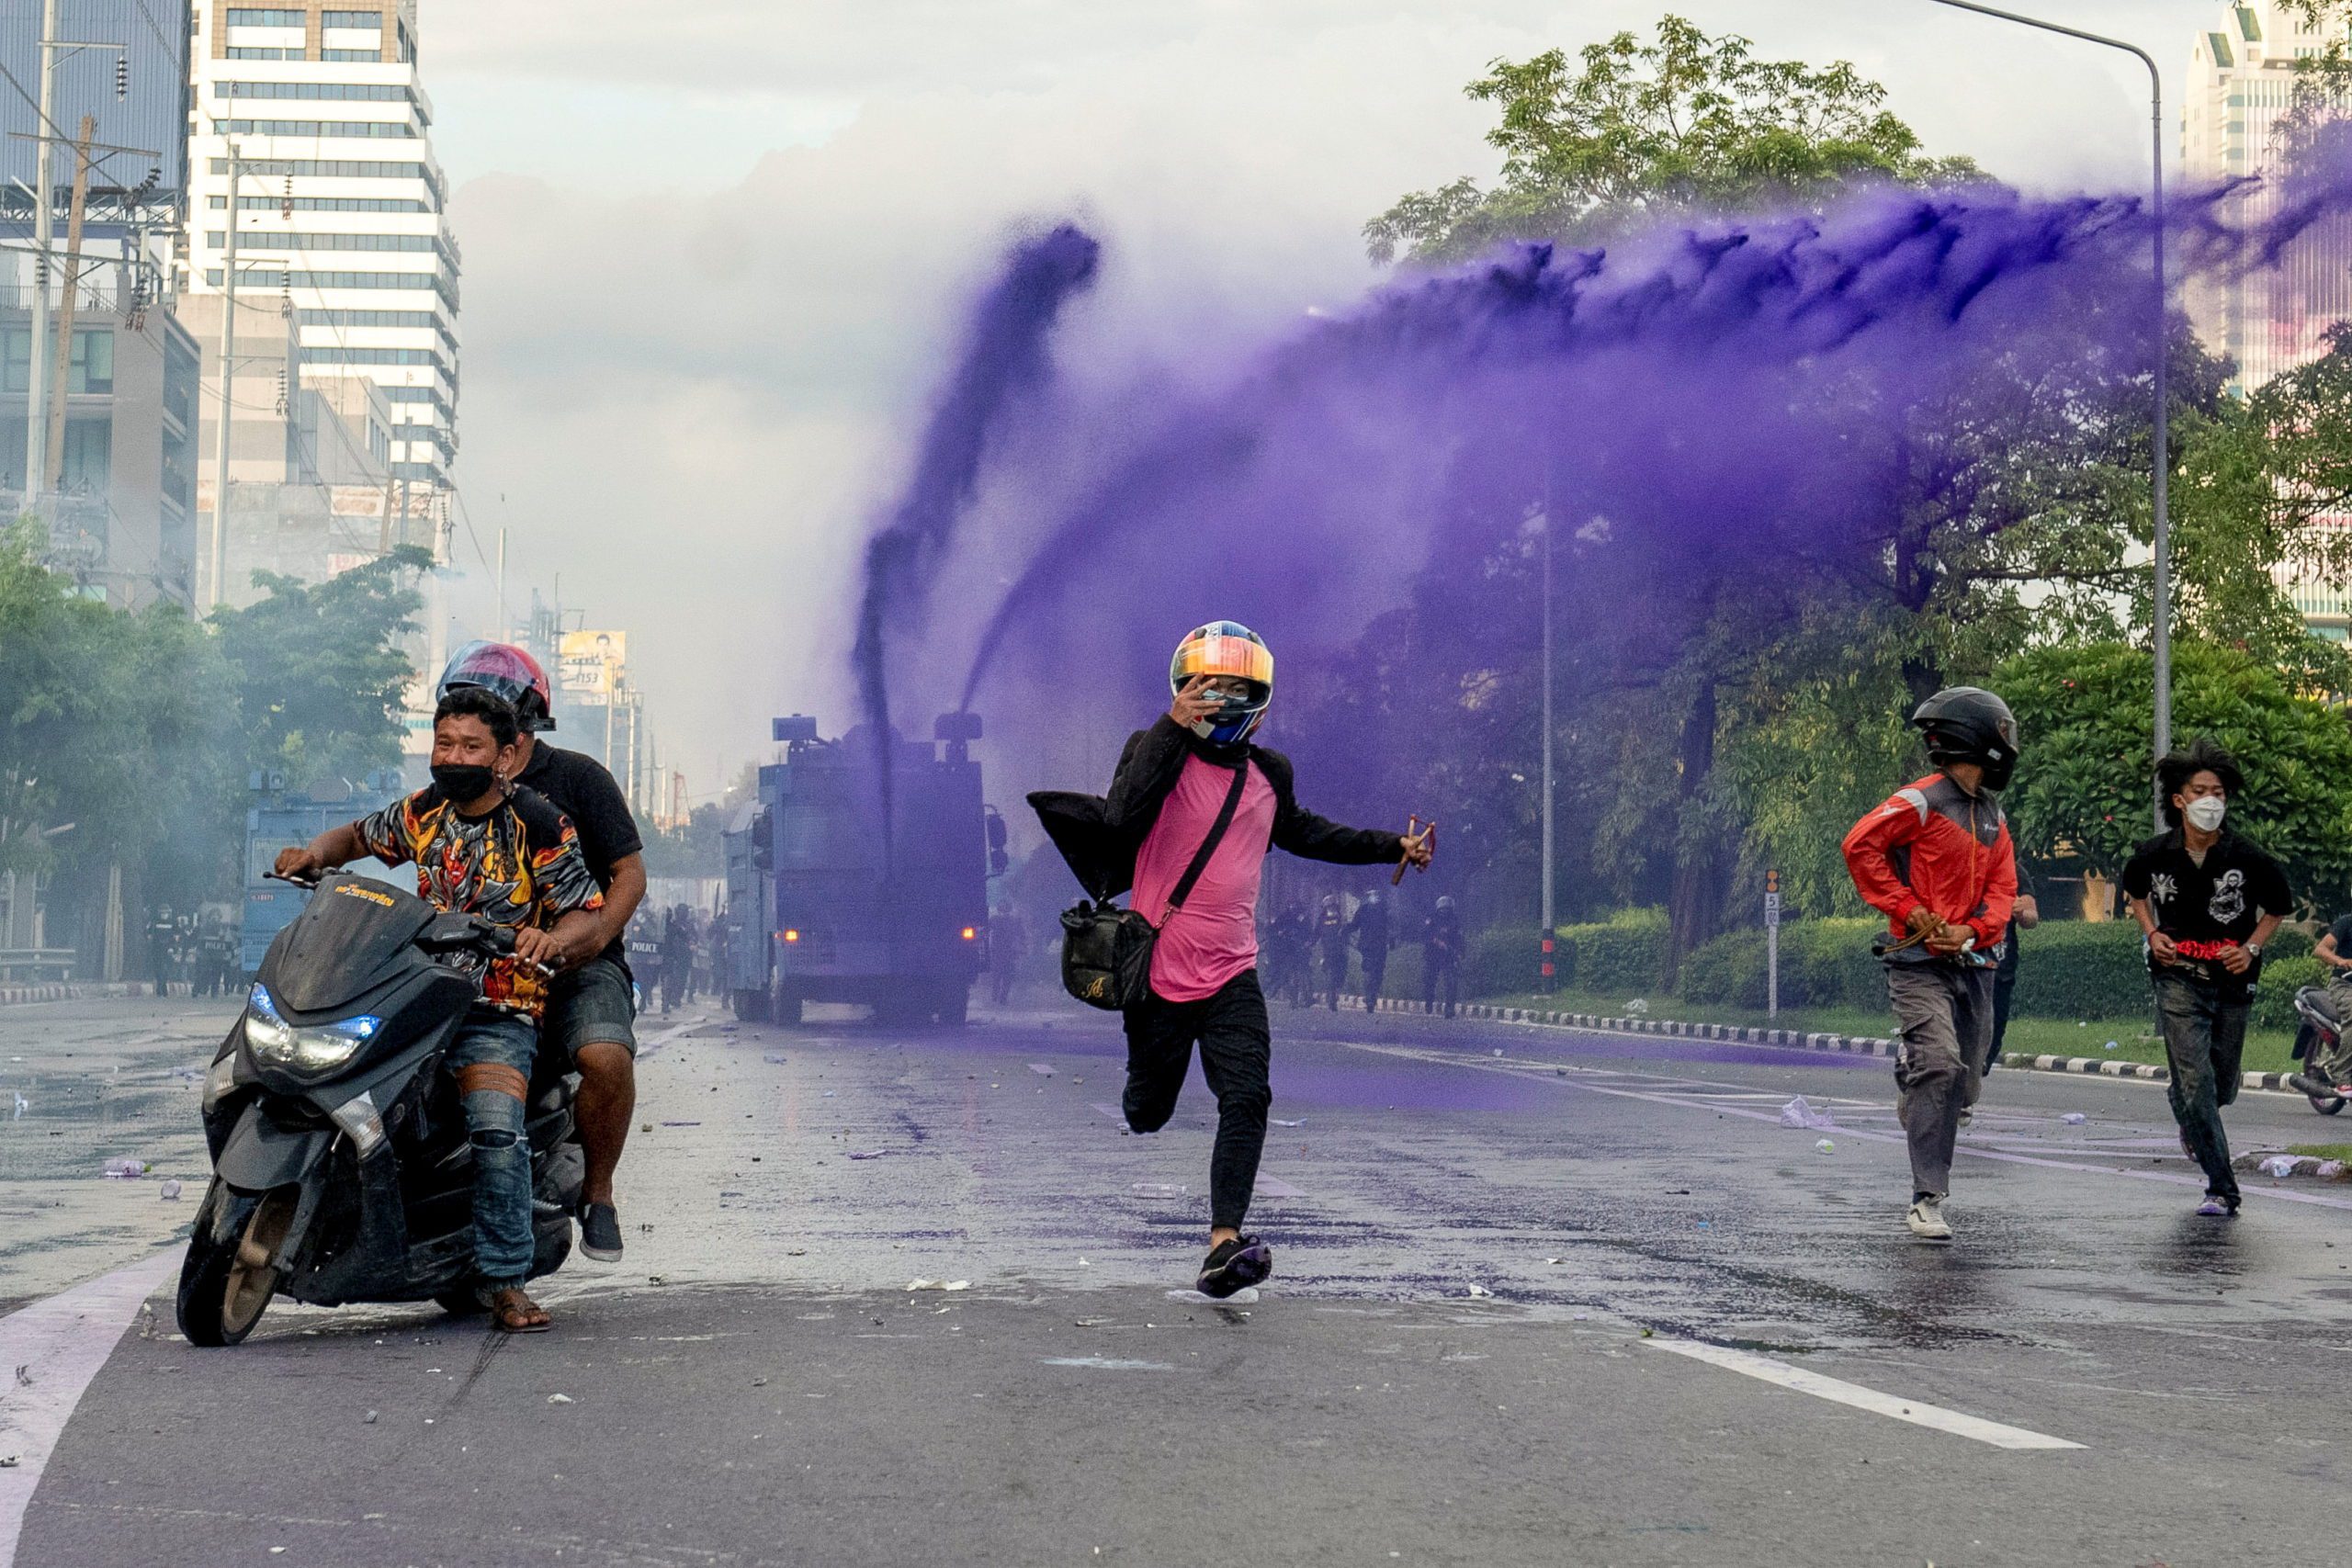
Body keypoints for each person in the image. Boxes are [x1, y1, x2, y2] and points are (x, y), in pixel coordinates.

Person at [1031, 621, 1432, 1298]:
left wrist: (1390, 845)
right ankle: (1146, 1098)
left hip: (1231, 972)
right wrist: (1168, 727)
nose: (1213, 696)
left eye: (1229, 686)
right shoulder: (1153, 750)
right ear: (1182, 688)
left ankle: (1224, 1244)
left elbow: (1310, 833)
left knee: (1247, 1095)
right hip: (1157, 971)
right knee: (1146, 1110)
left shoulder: (1268, 775)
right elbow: (1123, 815)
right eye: (1201, 684)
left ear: (1256, 698)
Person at [276, 685, 604, 1333]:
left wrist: (551, 938)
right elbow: (358, 836)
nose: (453, 755)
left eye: (471, 746)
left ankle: (506, 1278)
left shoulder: (538, 822)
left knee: (493, 1125)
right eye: (444, 742)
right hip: (414, 994)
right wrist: (315, 854)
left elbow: (585, 915)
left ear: (505, 755)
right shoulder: (423, 811)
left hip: (497, 1007)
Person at [437, 640, 646, 1265]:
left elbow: (629, 875)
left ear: (519, 732)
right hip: (478, 965)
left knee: (605, 1056)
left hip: (575, 964)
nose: (467, 747)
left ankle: (599, 1191)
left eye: (487, 730)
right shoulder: (450, 787)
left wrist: (591, 934)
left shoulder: (580, 780)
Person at [1841, 686, 2020, 1245]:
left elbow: (2003, 886)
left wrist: (1974, 929)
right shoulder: (1920, 801)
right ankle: (1927, 1199)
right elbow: (1859, 847)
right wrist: (1910, 909)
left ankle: (1914, 1073)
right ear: (1979, 735)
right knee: (1940, 1066)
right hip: (1916, 962)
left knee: (1965, 1083)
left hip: (1976, 963)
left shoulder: (1993, 815)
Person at [2122, 739, 2290, 1220]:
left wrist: (2251, 946)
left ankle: (2190, 1113)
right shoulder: (2153, 854)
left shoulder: (2248, 857)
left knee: (2220, 1089)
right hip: (2177, 977)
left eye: (2218, 790)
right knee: (2196, 1082)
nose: (2211, 800)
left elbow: (2278, 907)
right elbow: (2135, 893)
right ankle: (2222, 1187)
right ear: (2179, 799)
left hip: (2233, 979)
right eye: (2200, 790)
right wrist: (2151, 932)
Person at [1349, 890, 1392, 1013]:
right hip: (1367, 947)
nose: (1373, 898)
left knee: (1378, 972)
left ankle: (1373, 994)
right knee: (1368, 971)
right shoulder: (1363, 910)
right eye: (1371, 895)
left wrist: (1392, 938)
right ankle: (1369, 998)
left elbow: (1391, 925)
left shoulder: (1384, 909)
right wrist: (1344, 930)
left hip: (1380, 946)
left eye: (1375, 895)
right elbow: (1355, 924)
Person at [1423, 896, 1463, 1018]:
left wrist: (1460, 953)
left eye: (1447, 909)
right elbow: (1426, 935)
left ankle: (1449, 1009)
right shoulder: (1432, 920)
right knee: (1429, 981)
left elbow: (1460, 939)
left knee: (1451, 982)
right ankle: (1429, 1001)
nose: (1444, 911)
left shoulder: (1455, 921)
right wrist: (1436, 942)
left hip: (1448, 956)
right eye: (1442, 909)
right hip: (1432, 955)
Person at [1316, 894, 1349, 1011]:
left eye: (1332, 905)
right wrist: (1309, 942)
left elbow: (1346, 932)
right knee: (1330, 976)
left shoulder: (1340, 918)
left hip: (1339, 951)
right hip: (1327, 952)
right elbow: (1316, 933)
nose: (1330, 908)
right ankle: (1331, 998)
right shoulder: (1322, 919)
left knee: (1341, 972)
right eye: (1328, 906)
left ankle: (1336, 990)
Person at [989, 903, 1026, 1005]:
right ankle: (1001, 997)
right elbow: (1022, 936)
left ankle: (998, 996)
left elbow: (1022, 935)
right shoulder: (1014, 921)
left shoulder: (995, 919)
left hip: (1001, 952)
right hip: (1006, 952)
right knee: (1005, 976)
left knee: (999, 976)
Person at [660, 905, 693, 1015]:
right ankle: (665, 1001)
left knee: (669, 979)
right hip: (663, 956)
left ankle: (666, 1002)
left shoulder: (673, 926)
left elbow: (685, 935)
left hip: (670, 956)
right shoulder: (661, 925)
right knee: (666, 979)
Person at [147, 903, 176, 998]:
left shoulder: (173, 923)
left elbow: (176, 937)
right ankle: (160, 986)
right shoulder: (154, 922)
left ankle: (162, 987)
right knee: (158, 969)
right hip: (156, 949)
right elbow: (148, 932)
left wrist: (172, 947)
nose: (164, 915)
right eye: (162, 913)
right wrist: (149, 937)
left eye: (166, 913)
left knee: (165, 969)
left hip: (168, 950)